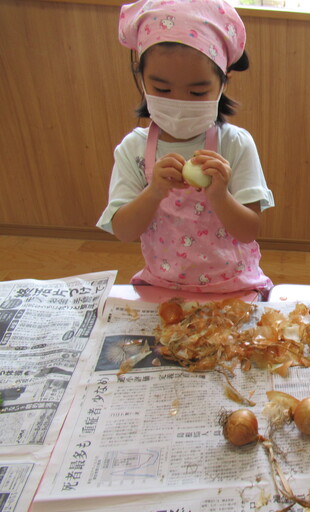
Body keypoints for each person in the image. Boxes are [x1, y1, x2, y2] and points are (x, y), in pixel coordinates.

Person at [97, 0, 274, 296]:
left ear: (223, 83)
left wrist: (220, 195)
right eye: (163, 89)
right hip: (163, 285)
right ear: (141, 78)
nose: (180, 102)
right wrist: (154, 191)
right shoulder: (133, 149)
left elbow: (249, 231)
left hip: (232, 286)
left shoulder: (235, 144)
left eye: (197, 91)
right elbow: (124, 232)